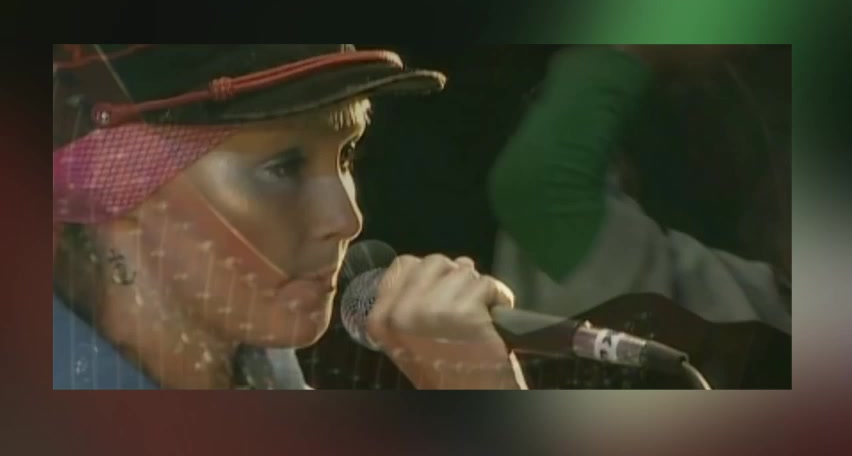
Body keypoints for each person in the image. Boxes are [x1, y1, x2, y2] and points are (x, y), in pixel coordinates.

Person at [53, 44, 526, 390]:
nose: (348, 219)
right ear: (110, 183)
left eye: (346, 156)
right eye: (284, 167)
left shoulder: (265, 362)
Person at [489, 45, 791, 334]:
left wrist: (639, 48)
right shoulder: (748, 301)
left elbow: (546, 189)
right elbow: (547, 189)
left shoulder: (751, 313)